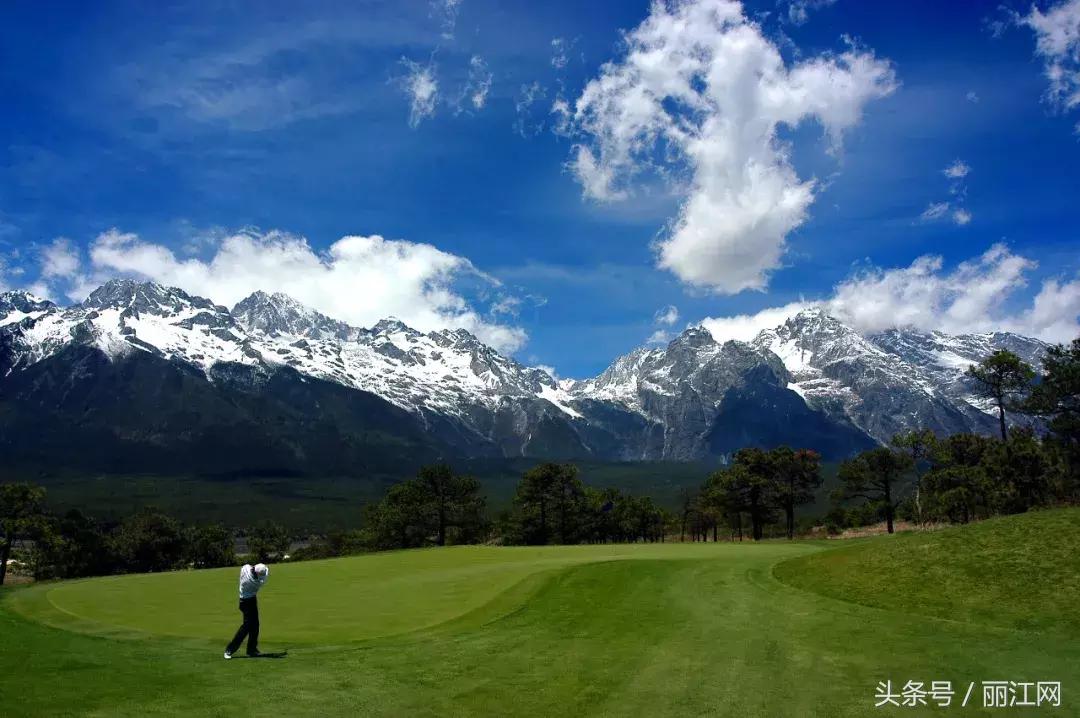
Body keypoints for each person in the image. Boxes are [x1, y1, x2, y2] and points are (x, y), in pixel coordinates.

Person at [224, 562, 269, 659]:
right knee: (246, 627)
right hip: (247, 603)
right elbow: (265, 575)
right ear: (257, 573)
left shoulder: (244, 568)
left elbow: (248, 566)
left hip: (248, 600)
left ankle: (251, 649)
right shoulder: (256, 583)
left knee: (255, 625)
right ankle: (229, 650)